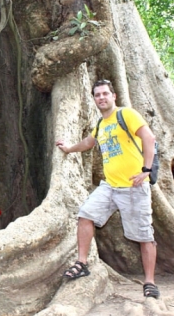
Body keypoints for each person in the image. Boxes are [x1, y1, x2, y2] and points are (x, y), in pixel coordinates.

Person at [55, 79, 160, 298]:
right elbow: (88, 143)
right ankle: (82, 263)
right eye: (97, 95)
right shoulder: (101, 124)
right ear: (94, 99)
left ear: (114, 96)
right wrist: (68, 149)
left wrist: (146, 170)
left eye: (105, 94)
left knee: (144, 235)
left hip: (133, 186)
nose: (101, 98)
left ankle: (149, 282)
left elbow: (149, 138)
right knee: (85, 215)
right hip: (110, 186)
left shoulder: (127, 115)